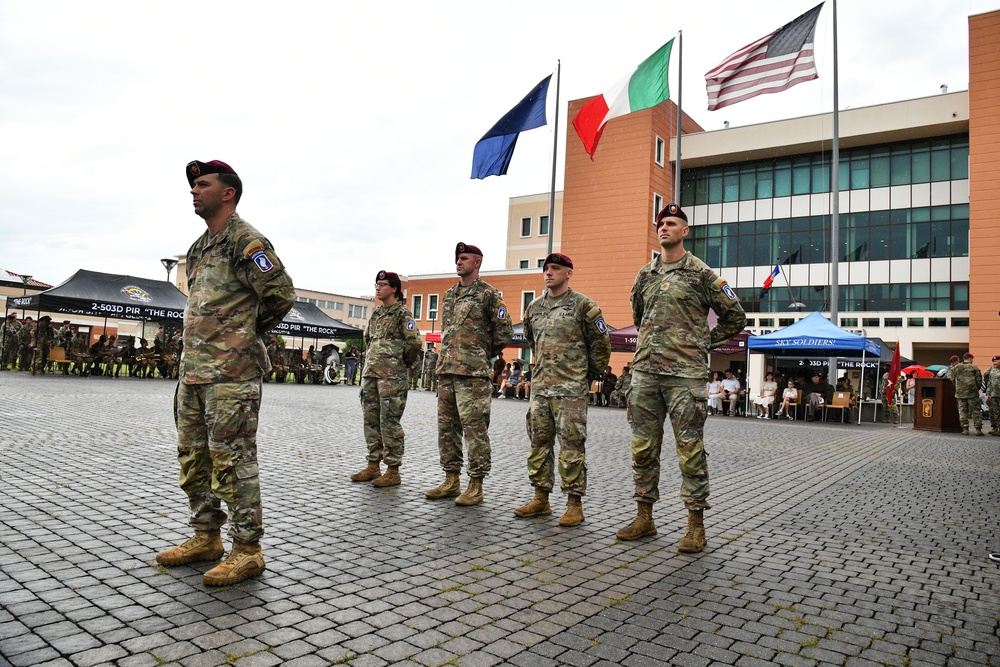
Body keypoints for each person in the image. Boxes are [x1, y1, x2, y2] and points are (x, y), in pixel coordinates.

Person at [156, 160, 294, 587]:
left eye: (203, 185)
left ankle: (248, 550)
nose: (194, 191)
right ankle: (206, 536)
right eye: (193, 185)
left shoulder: (246, 240)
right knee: (194, 458)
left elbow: (280, 294)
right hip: (194, 373)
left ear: (227, 192)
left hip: (232, 375)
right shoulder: (200, 247)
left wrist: (242, 334)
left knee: (233, 463)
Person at [617, 203, 746, 552]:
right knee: (642, 448)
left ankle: (695, 525)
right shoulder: (645, 274)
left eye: (672, 223)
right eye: (661, 223)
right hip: (645, 373)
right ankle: (644, 516)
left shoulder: (702, 274)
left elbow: (735, 317)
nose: (664, 228)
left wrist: (703, 341)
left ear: (685, 231)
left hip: (684, 376)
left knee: (690, 451)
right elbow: (639, 315)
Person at [513, 252, 611, 527]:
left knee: (571, 447)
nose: (549, 273)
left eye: (555, 268)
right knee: (538, 445)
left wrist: (584, 377)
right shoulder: (534, 308)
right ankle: (541, 499)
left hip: (571, 390)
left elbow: (601, 346)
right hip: (541, 389)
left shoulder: (584, 306)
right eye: (546, 269)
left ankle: (573, 504)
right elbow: (533, 341)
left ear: (569, 273)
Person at [426, 242, 513, 506]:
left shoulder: (488, 295)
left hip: (473, 375)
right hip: (447, 371)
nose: (458, 262)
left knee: (474, 429)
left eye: (464, 258)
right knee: (447, 429)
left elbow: (504, 332)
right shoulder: (450, 294)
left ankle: (476, 484)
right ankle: (451, 479)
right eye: (457, 258)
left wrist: (479, 354)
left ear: (477, 262)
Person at [351, 270, 421, 488]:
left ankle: (393, 470)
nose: (378, 288)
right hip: (371, 375)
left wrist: (399, 365)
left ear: (394, 289)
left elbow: (414, 343)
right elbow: (368, 340)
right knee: (370, 420)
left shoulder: (403, 314)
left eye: (382, 284)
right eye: (376, 284)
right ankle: (373, 465)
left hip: (392, 377)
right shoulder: (376, 314)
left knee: (389, 422)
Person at [946, 352, 984, 436]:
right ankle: (978, 429)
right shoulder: (974, 367)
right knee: (976, 411)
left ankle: (965, 429)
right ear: (970, 359)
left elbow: (951, 378)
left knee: (962, 411)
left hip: (960, 393)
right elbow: (979, 381)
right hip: (973, 393)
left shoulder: (956, 367)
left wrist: (958, 386)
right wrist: (976, 389)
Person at [985, 355, 1000, 436]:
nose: (995, 363)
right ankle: (995, 428)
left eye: (997, 361)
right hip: (993, 394)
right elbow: (989, 382)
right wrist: (988, 393)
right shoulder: (992, 370)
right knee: (994, 412)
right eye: (994, 361)